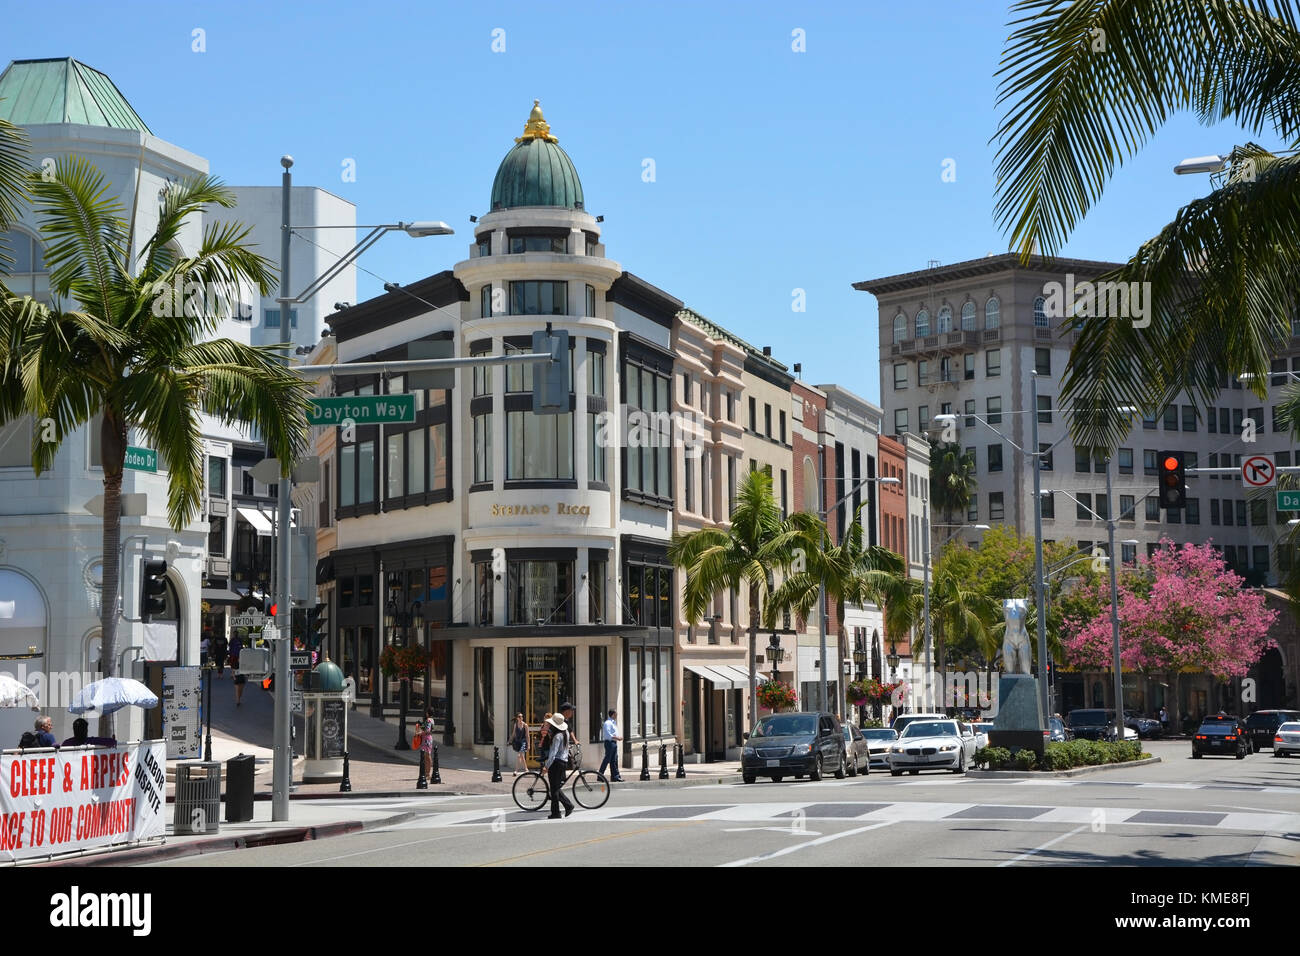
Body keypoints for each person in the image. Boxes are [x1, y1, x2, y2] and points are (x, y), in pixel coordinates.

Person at [542, 713, 574, 819]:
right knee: (555, 788)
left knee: (554, 789)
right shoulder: (566, 733)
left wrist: (546, 766)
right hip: (563, 762)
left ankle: (556, 812)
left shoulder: (557, 736)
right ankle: (567, 806)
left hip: (556, 763)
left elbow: (553, 754)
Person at [599, 709, 624, 781]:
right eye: (616, 714)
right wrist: (617, 738)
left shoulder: (613, 723)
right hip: (609, 743)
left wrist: (617, 738)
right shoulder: (608, 723)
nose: (617, 715)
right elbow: (608, 735)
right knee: (607, 759)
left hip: (613, 743)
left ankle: (615, 777)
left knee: (614, 760)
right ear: (613, 714)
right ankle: (600, 775)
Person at [418, 705, 435, 780]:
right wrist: (421, 726)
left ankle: (428, 773)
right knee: (426, 756)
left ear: (427, 713)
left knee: (427, 756)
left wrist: (420, 733)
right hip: (428, 738)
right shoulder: (432, 720)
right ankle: (426, 773)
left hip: (427, 739)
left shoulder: (428, 720)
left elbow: (427, 730)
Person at [229, 632, 246, 706]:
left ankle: (239, 698)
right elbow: (233, 667)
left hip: (242, 676)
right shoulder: (234, 640)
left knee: (240, 689)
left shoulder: (243, 661)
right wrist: (233, 676)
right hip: (237, 675)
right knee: (237, 689)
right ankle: (238, 700)